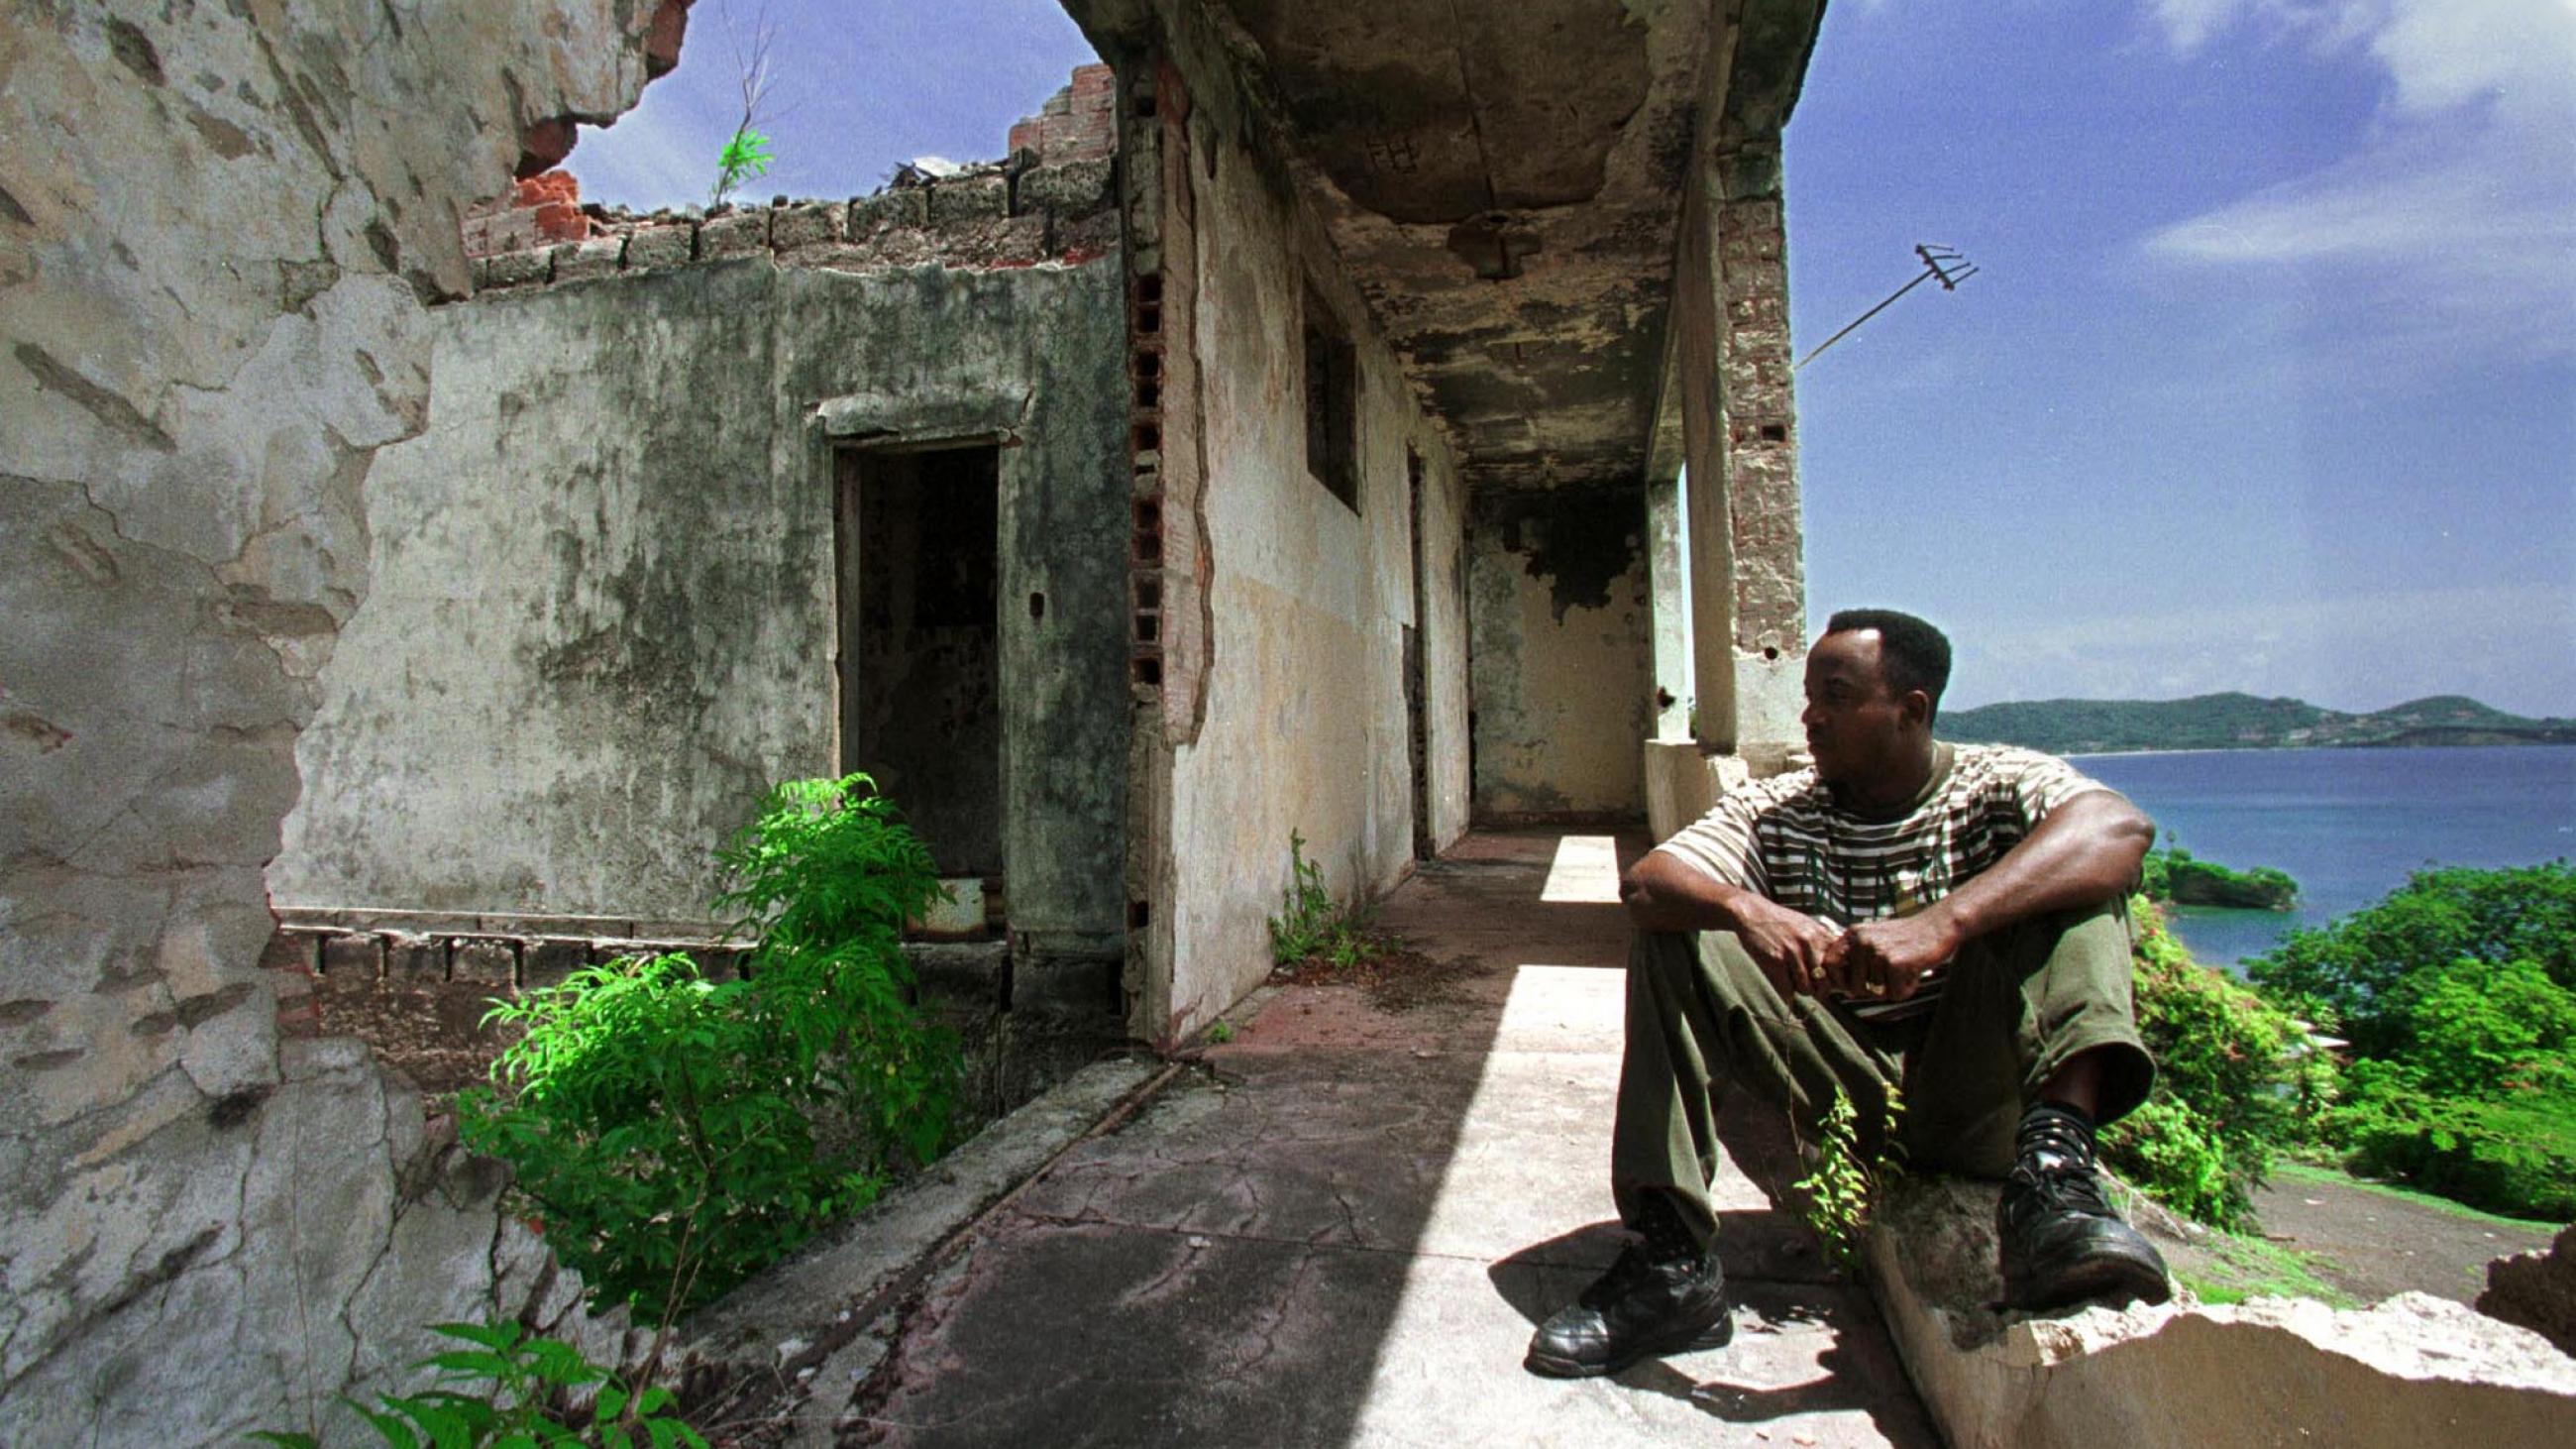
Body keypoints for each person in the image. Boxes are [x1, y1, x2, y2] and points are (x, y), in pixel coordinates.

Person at [1525, 608, 2173, 1380]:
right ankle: (1672, 1268)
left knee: (2074, 889)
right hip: (1847, 1091)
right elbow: (1648, 881)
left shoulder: (1995, 783)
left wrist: (1946, 923)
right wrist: (1749, 909)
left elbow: (2119, 829)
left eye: (1834, 695)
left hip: (1982, 1095)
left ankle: (2056, 1188)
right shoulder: (1783, 807)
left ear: (1912, 709)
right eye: (1808, 695)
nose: (1810, 716)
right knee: (1675, 929)